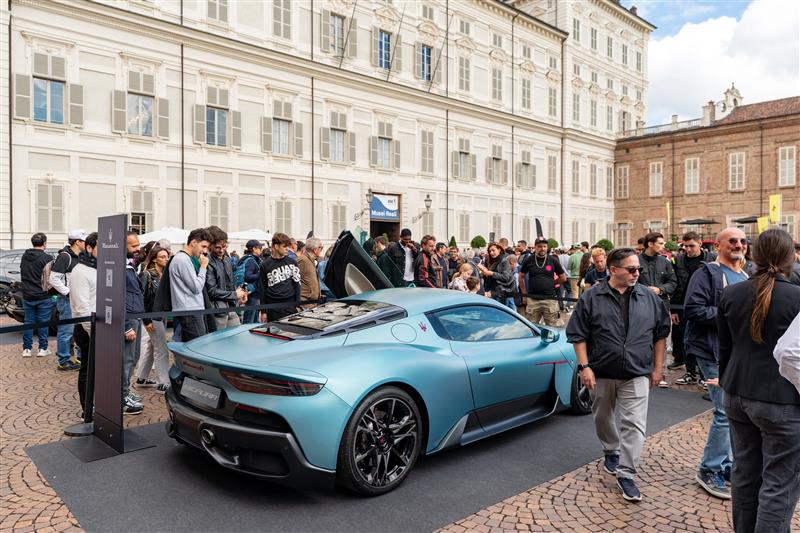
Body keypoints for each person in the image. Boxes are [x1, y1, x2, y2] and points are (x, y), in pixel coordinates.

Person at [567, 247, 670, 502]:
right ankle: (610, 450)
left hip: (636, 372)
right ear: (614, 270)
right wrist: (584, 367)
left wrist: (658, 369)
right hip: (601, 371)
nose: (637, 273)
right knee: (602, 416)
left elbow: (660, 336)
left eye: (639, 269)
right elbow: (578, 334)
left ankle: (627, 474)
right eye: (632, 269)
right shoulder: (592, 297)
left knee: (634, 424)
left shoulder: (649, 298)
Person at [717, 229, 800, 532]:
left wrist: (727, 380)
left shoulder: (732, 293)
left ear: (754, 254)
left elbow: (724, 349)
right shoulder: (796, 297)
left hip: (738, 394)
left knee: (746, 474)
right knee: (780, 482)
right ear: (790, 256)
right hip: (782, 400)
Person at [683, 227, 749, 499]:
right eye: (732, 241)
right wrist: (730, 312)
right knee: (724, 411)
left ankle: (726, 465)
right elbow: (693, 310)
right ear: (719, 246)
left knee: (734, 411)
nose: (739, 245)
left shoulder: (746, 274)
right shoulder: (707, 273)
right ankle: (709, 469)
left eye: (743, 241)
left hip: (737, 353)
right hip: (711, 351)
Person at [672, 232, 716, 381]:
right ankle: (690, 372)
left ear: (700, 244)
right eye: (685, 246)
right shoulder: (678, 260)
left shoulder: (711, 259)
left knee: (704, 340)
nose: (688, 249)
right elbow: (677, 285)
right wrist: (674, 310)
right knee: (686, 340)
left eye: (691, 246)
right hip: (683, 305)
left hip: (704, 306)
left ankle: (705, 376)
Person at [69, 232, 101, 412]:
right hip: (87, 328)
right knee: (88, 370)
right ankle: (87, 408)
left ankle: (99, 404)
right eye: (100, 248)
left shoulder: (100, 268)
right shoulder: (80, 272)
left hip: (102, 327)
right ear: (89, 248)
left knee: (99, 369)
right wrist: (94, 332)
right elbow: (82, 307)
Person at [133, 245, 170, 394]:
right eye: (162, 257)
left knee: (151, 345)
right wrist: (146, 321)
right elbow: (142, 299)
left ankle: (141, 378)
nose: (166, 259)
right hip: (152, 317)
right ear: (154, 258)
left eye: (167, 256)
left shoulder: (164, 275)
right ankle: (164, 382)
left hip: (162, 315)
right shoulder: (147, 275)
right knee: (161, 349)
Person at [49, 229, 87, 370]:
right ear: (77, 242)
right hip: (67, 300)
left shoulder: (81, 256)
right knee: (66, 331)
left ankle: (79, 357)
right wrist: (69, 293)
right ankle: (63, 360)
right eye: (84, 241)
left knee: (80, 329)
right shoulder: (65, 257)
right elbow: (53, 279)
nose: (86, 244)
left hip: (79, 299)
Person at [169, 228, 212, 341]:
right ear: (193, 243)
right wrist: (203, 267)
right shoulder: (182, 260)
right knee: (199, 347)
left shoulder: (183, 259)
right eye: (203, 246)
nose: (205, 251)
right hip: (190, 309)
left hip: (189, 309)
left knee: (192, 347)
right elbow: (196, 288)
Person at [19, 233, 57, 360]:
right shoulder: (47, 258)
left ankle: (27, 349)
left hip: (27, 295)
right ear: (45, 243)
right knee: (43, 323)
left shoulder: (25, 256)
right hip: (43, 296)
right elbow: (51, 278)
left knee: (28, 322)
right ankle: (42, 348)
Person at [123, 232, 146, 415]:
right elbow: (116, 298)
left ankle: (126, 391)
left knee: (134, 357)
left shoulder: (130, 265)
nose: (138, 249)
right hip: (128, 318)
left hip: (135, 316)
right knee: (127, 359)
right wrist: (125, 326)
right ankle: (122, 397)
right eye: (133, 246)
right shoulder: (119, 267)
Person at [205, 227, 245, 331]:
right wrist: (235, 295)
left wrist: (239, 294)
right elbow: (211, 291)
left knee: (237, 336)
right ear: (210, 245)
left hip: (230, 307)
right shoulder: (207, 261)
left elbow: (230, 284)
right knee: (218, 343)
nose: (222, 250)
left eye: (224, 246)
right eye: (218, 247)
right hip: (217, 310)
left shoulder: (227, 259)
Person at [520, 237, 566, 326]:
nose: (542, 249)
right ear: (535, 247)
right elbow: (521, 277)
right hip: (533, 300)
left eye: (544, 246)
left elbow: (563, 277)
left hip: (549, 300)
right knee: (531, 328)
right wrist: (524, 295)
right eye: (540, 246)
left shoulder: (553, 260)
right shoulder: (529, 260)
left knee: (552, 328)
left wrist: (552, 283)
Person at [259, 232, 301, 322]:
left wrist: (297, 305)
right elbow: (262, 289)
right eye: (284, 246)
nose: (288, 249)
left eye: (288, 246)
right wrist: (263, 312)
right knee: (274, 334)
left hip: (290, 305)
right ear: (276, 246)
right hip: (272, 307)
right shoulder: (264, 265)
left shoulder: (292, 262)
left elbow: (297, 284)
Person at [478, 242, 515, 309]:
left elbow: (506, 277)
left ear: (499, 250)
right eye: (490, 251)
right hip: (494, 292)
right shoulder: (494, 261)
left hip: (501, 293)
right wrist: (484, 273)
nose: (491, 253)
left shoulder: (504, 261)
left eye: (493, 250)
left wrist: (491, 273)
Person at [238, 240, 263, 324]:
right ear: (254, 249)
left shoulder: (250, 258)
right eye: (260, 248)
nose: (261, 250)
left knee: (254, 319)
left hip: (252, 292)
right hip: (252, 293)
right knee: (249, 319)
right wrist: (260, 274)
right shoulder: (250, 260)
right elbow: (248, 276)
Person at [297, 236, 323, 309]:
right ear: (315, 250)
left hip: (311, 304)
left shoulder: (309, 260)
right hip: (305, 304)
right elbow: (294, 279)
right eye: (321, 247)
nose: (321, 250)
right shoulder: (303, 260)